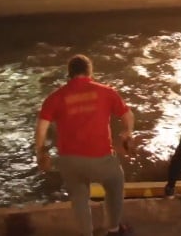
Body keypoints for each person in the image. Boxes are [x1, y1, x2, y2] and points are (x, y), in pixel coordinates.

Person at [35, 54, 134, 236]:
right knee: (115, 182)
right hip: (101, 158)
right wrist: (127, 132)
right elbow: (127, 115)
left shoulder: (55, 97)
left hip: (69, 160)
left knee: (79, 198)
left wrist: (41, 154)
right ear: (90, 72)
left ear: (69, 73)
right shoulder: (106, 92)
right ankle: (113, 229)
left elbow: (41, 128)